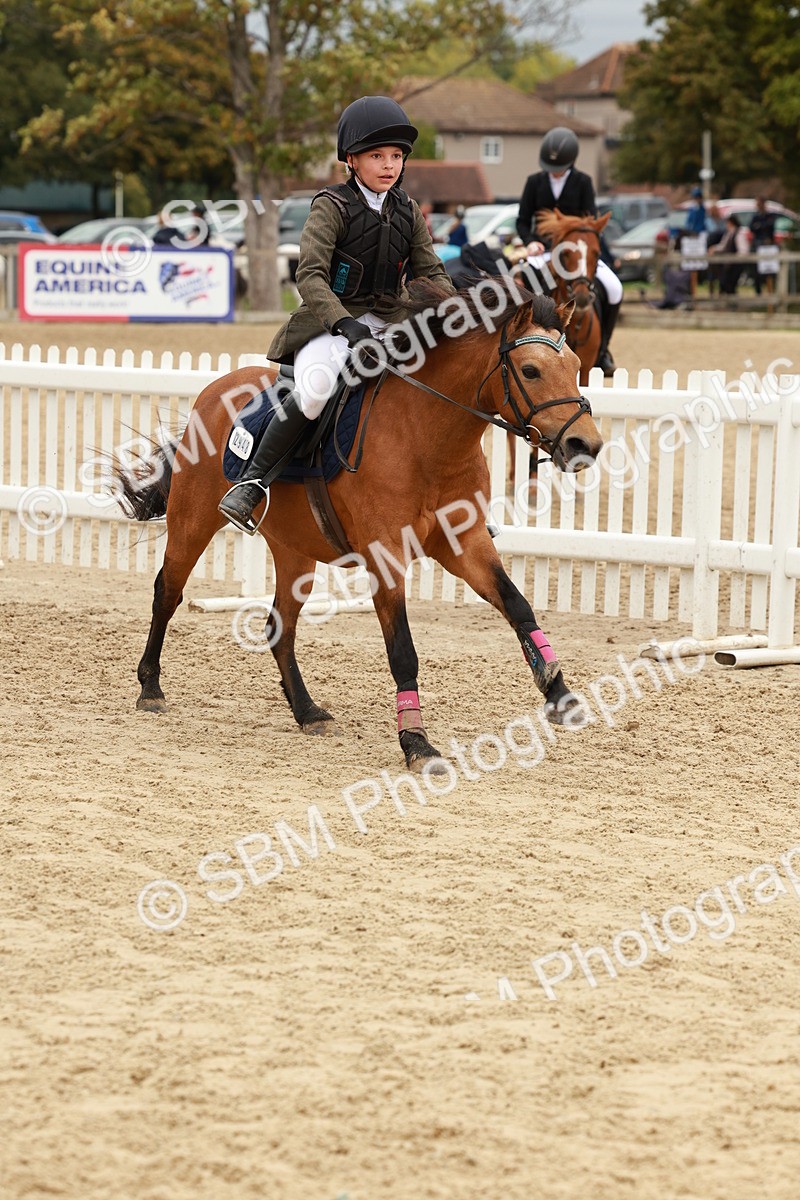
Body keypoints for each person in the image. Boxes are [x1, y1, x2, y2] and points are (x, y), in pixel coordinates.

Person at [218, 96, 457, 534]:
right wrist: (344, 324)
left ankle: (458, 496)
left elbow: (431, 270)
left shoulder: (407, 209)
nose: (389, 165)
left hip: (392, 322)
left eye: (396, 157)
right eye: (377, 156)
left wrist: (455, 310)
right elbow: (309, 276)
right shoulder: (331, 205)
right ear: (352, 160)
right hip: (332, 325)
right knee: (314, 390)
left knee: (445, 379)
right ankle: (253, 483)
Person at [515, 126, 623, 375]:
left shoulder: (582, 182)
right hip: (544, 251)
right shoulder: (534, 182)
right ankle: (523, 340)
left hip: (578, 252)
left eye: (559, 167)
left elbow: (590, 220)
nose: (553, 173)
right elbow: (523, 220)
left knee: (615, 288)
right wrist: (531, 241)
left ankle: (603, 349)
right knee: (524, 285)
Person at [709, 213, 749, 295]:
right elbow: (723, 246)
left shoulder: (739, 233)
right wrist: (714, 248)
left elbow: (743, 250)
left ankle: (732, 303)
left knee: (730, 284)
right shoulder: (728, 233)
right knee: (725, 282)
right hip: (729, 263)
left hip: (736, 263)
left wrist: (736, 259)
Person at [749, 196, 777, 296]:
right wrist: (762, 226)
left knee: (770, 270)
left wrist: (760, 226)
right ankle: (758, 291)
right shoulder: (755, 216)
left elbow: (770, 227)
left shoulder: (769, 216)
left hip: (768, 246)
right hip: (758, 244)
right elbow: (752, 228)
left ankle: (771, 290)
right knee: (756, 270)